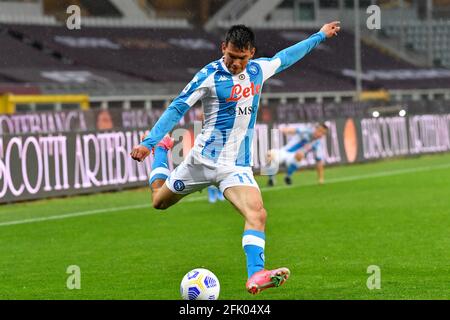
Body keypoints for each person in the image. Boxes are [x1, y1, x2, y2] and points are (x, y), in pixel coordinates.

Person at [130, 22, 340, 294]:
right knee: (158, 202)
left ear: (251, 53)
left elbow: (288, 56)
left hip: (235, 167)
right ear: (223, 49)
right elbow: (178, 106)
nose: (235, 63)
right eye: (230, 56)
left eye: (241, 58)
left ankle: (256, 275)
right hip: (200, 163)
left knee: (257, 213)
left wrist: (320, 35)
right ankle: (161, 153)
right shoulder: (208, 75)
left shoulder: (258, 70)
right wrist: (150, 142)